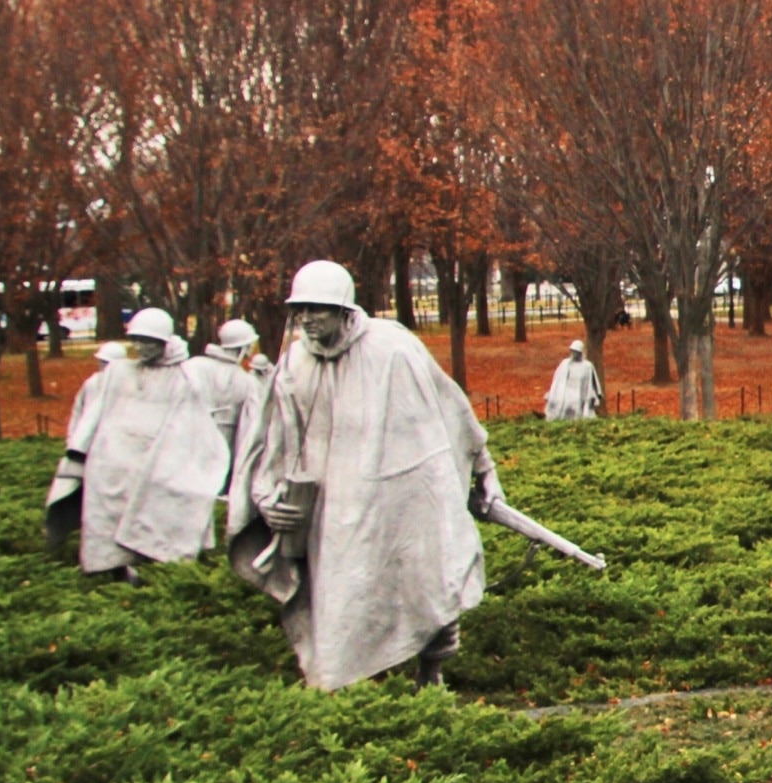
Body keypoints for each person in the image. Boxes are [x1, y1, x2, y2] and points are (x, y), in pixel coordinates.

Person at [227, 260, 502, 690]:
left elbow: (450, 406)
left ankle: (430, 673)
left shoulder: (392, 347)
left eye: (317, 308)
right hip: (332, 510)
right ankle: (339, 687)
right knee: (339, 602)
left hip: (403, 497)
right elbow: (273, 439)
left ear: (343, 308)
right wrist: (266, 497)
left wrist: (483, 467)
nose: (307, 319)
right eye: (300, 309)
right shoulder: (294, 363)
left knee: (426, 585)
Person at [45, 308, 227, 579]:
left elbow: (190, 427)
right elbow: (95, 413)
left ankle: (157, 576)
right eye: (137, 339)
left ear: (164, 342)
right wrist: (78, 452)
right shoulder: (118, 372)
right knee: (105, 524)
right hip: (110, 463)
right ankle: (109, 571)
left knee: (150, 519)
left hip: (152, 464)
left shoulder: (183, 379)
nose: (142, 346)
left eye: (149, 341)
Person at [187, 318, 266, 456]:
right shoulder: (248, 382)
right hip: (224, 447)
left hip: (193, 444)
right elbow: (253, 426)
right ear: (246, 347)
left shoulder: (195, 365)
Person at [543, 338, 603, 420]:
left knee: (574, 403)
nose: (574, 354)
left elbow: (592, 384)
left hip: (580, 393)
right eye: (573, 351)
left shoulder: (587, 366)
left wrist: (596, 395)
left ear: (581, 353)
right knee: (559, 401)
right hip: (564, 391)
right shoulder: (565, 363)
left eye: (576, 352)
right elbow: (557, 380)